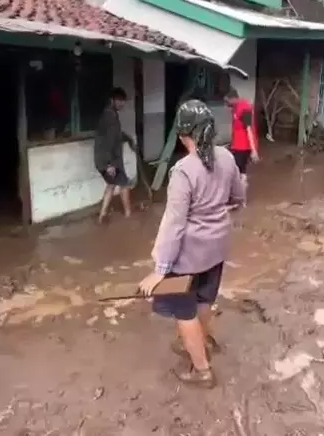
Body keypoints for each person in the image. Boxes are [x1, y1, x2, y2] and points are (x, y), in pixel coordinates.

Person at [138, 100, 246, 388]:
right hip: (217, 248)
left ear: (184, 135)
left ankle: (201, 371)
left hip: (187, 257)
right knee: (204, 300)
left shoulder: (183, 171)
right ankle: (202, 340)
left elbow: (174, 224)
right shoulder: (227, 157)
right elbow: (238, 197)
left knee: (184, 312)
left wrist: (160, 268)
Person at [94, 87, 135, 223]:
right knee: (124, 184)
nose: (122, 104)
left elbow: (116, 135)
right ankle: (129, 216)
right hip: (110, 162)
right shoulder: (110, 117)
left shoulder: (110, 115)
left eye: (123, 101)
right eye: (119, 101)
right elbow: (109, 141)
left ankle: (102, 216)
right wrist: (109, 164)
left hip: (103, 161)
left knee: (111, 185)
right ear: (112, 100)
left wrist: (129, 139)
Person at [224, 87, 259, 194]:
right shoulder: (236, 107)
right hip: (237, 146)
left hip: (243, 148)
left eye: (227, 101)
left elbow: (249, 130)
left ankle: (240, 198)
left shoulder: (244, 108)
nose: (226, 103)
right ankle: (240, 198)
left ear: (233, 98)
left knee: (239, 173)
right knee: (240, 172)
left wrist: (253, 150)